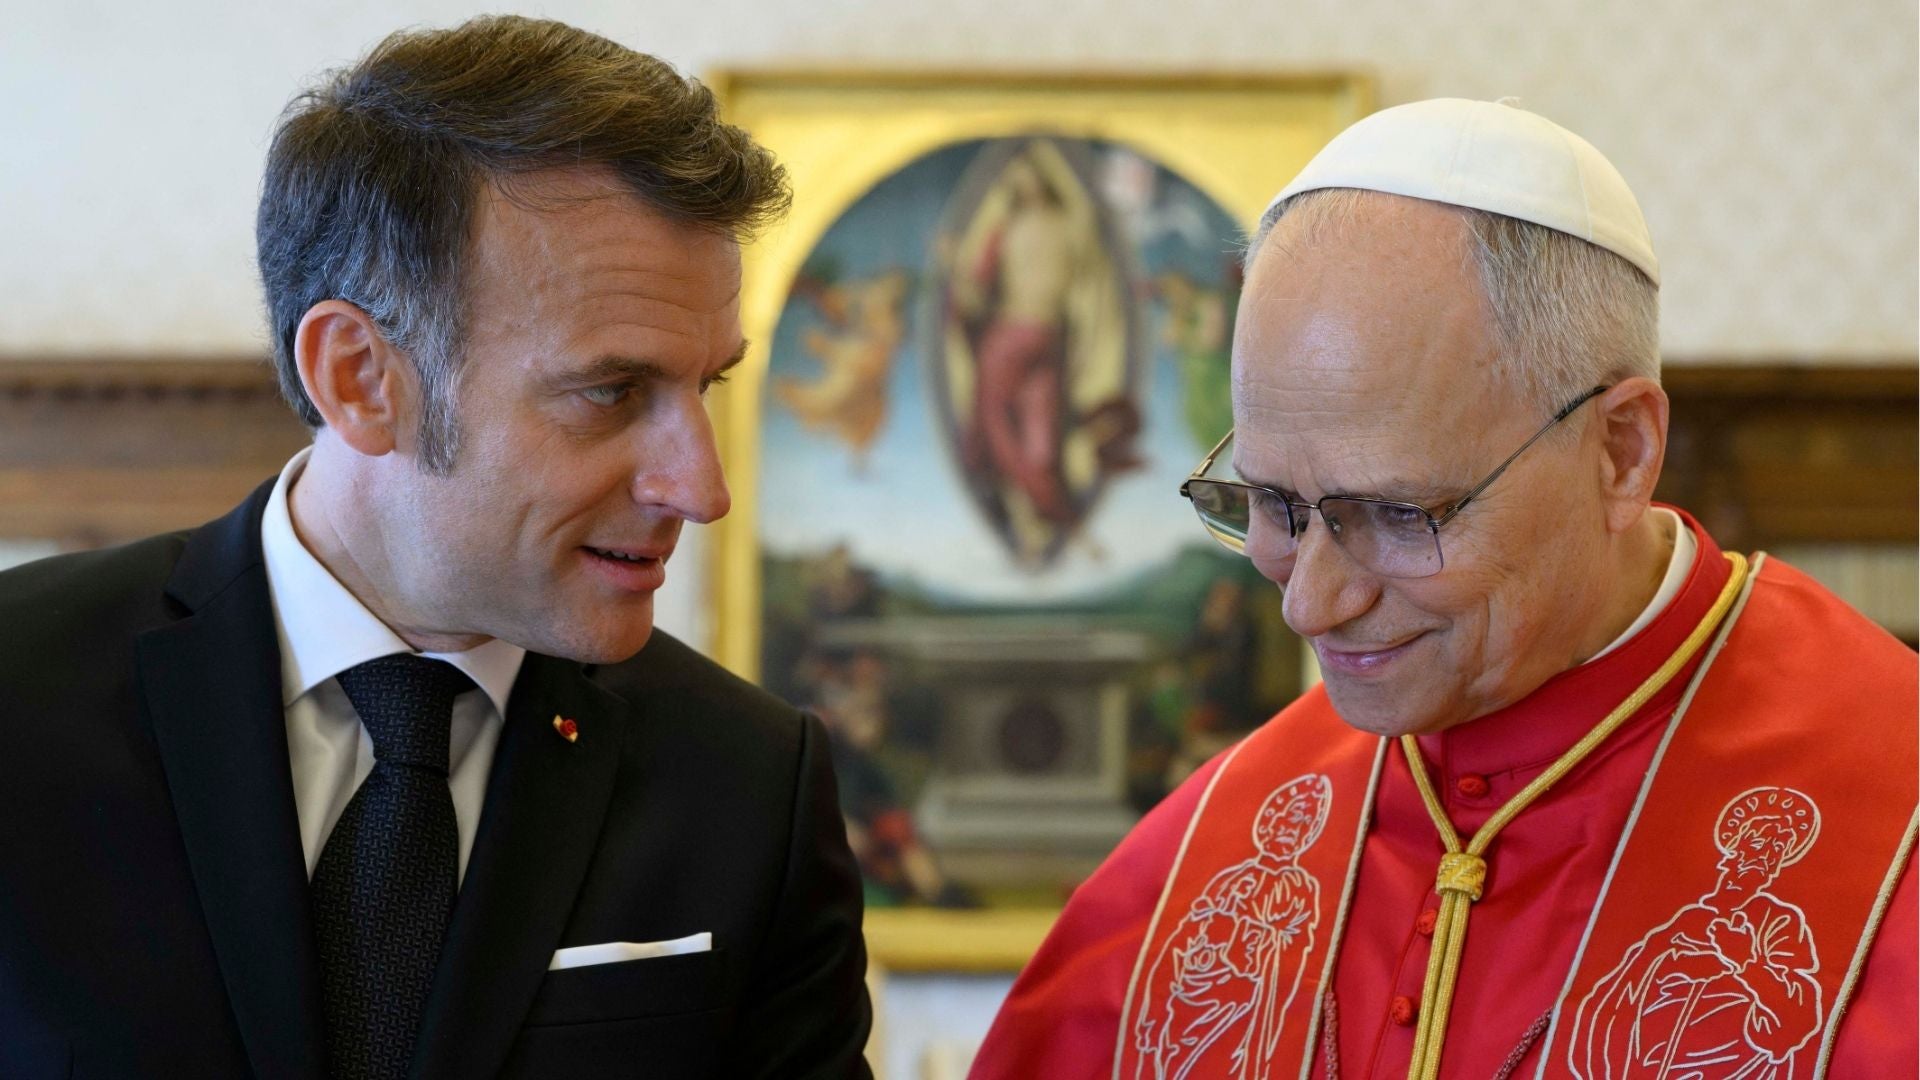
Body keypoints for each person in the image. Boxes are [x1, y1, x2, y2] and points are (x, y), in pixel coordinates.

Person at [970, 98, 1914, 1078]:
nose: (1310, 606)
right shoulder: (1210, 851)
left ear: (1621, 452)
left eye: (1396, 515)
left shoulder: (1895, 819)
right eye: (1270, 502)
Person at [0, 17, 869, 1080]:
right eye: (612, 391)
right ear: (360, 377)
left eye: (707, 386)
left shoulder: (749, 789)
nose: (702, 488)